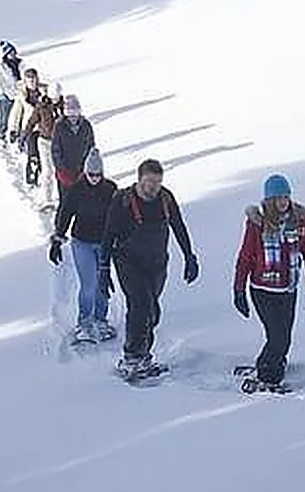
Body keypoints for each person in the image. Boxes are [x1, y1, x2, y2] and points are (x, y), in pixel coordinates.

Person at [101, 158, 199, 379]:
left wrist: (189, 256)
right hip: (128, 262)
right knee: (141, 305)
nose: (152, 187)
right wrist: (103, 268)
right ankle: (131, 357)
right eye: (148, 182)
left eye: (157, 182)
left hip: (156, 263)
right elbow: (108, 234)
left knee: (152, 312)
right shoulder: (123, 200)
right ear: (139, 179)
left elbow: (178, 226)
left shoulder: (165, 198)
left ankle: (144, 355)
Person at [233, 173, 305, 393]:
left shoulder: (300, 220)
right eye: (278, 198)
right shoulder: (258, 223)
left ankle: (271, 364)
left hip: (289, 288)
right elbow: (245, 256)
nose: (283, 202)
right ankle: (268, 376)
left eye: (286, 197)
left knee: (284, 336)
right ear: (268, 200)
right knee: (278, 336)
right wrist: (239, 291)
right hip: (262, 289)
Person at [50, 148, 118, 343]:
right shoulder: (76, 190)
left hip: (104, 243)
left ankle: (101, 319)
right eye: (91, 174)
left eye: (98, 175)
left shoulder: (111, 189)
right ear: (85, 172)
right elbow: (65, 214)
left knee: (102, 282)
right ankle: (84, 323)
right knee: (89, 284)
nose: (94, 178)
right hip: (82, 242)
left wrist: (121, 239)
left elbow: (118, 216)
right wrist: (57, 238)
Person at [22, 83, 63, 197]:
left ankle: (63, 197)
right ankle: (47, 197)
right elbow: (31, 121)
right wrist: (24, 135)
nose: (55, 100)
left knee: (61, 172)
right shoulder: (41, 107)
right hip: (44, 141)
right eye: (53, 98)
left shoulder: (64, 107)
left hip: (60, 143)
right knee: (47, 171)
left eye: (57, 97)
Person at [8, 69, 47, 185]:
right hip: (30, 128)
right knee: (33, 154)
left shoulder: (44, 92)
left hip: (44, 128)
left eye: (34, 78)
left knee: (44, 156)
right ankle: (31, 178)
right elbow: (16, 112)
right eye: (29, 79)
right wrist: (13, 129)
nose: (32, 82)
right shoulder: (22, 95)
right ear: (25, 80)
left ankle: (44, 177)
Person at [51, 94, 96, 192]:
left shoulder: (86, 126)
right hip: (65, 171)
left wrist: (89, 164)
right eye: (70, 114)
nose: (73, 117)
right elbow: (55, 149)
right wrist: (61, 167)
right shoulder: (60, 126)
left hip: (81, 169)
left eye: (75, 113)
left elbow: (91, 146)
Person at [0, 41, 22, 139]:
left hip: (19, 95)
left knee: (17, 117)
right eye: (10, 52)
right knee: (5, 117)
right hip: (5, 97)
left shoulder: (20, 64)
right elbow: (1, 83)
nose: (12, 54)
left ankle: (16, 135)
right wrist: (10, 94)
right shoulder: (2, 67)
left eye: (13, 52)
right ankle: (1, 132)